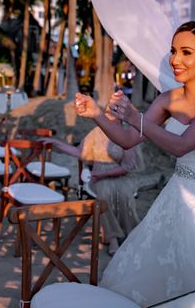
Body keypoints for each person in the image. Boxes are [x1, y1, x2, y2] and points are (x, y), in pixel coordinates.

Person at [75, 21, 195, 307]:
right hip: (175, 201)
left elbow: (182, 145)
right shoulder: (168, 99)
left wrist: (135, 116)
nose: (175, 60)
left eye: (185, 52)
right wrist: (96, 113)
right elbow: (130, 138)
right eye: (173, 51)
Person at [41, 108, 144, 255]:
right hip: (98, 177)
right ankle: (113, 237)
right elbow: (79, 152)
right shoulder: (96, 133)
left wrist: (105, 174)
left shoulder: (127, 135)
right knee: (105, 194)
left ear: (120, 118)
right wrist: (56, 143)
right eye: (107, 115)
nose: (108, 119)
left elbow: (126, 167)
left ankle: (131, 232)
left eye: (113, 116)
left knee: (124, 195)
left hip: (118, 175)